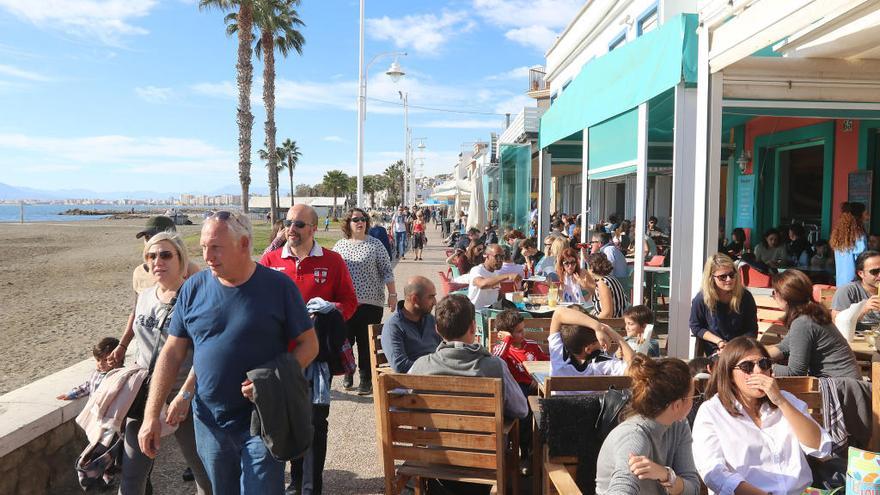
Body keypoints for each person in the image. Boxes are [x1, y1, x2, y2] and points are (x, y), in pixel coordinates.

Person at [138, 211, 318, 495]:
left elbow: (310, 344)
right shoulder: (193, 289)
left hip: (263, 418)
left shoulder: (278, 287)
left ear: (244, 244)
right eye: (203, 247)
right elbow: (172, 353)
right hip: (209, 422)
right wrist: (151, 416)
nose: (207, 256)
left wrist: (271, 378)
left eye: (216, 247)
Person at [259, 204, 358, 495]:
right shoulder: (270, 260)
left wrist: (330, 310)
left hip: (317, 359)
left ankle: (311, 486)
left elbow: (349, 303)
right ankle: (294, 481)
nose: (291, 228)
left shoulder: (333, 260)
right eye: (288, 222)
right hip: (280, 357)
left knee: (316, 421)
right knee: (286, 419)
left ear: (314, 228)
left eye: (299, 224)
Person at [119, 231, 211, 494]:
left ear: (180, 259)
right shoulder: (146, 296)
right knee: (132, 473)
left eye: (165, 255)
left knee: (202, 471)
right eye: (151, 256)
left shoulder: (195, 297)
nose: (157, 260)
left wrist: (185, 395)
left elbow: (204, 351)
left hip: (185, 399)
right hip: (148, 395)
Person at [692, 337, 832, 495]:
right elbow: (713, 472)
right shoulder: (712, 412)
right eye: (747, 366)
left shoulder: (786, 400)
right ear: (730, 374)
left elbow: (820, 447)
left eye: (764, 364)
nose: (758, 371)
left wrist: (781, 402)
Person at [409, 294, 528, 420]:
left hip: (434, 439)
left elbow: (401, 405)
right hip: (485, 438)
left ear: (437, 329)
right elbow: (521, 410)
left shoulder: (420, 366)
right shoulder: (495, 366)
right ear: (473, 327)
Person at [595, 356, 700, 494]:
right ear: (678, 405)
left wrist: (665, 475)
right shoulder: (634, 436)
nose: (695, 400)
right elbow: (622, 487)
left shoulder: (679, 426)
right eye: (694, 395)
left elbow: (693, 488)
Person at [333, 207, 397, 395]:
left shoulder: (375, 245)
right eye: (355, 219)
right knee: (345, 341)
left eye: (363, 219)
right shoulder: (339, 246)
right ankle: (348, 371)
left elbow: (387, 270)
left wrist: (392, 295)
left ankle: (366, 379)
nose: (360, 222)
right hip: (345, 304)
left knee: (365, 342)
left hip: (371, 303)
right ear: (348, 223)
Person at [768, 270, 862, 379]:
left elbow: (795, 373)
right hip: (847, 383)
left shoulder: (803, 322)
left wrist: (760, 367)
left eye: (774, 293)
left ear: (785, 297)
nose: (773, 296)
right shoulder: (811, 314)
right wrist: (755, 357)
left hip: (839, 388)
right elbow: (784, 347)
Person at [689, 253, 758, 355]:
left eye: (731, 274)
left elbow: (751, 330)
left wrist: (732, 347)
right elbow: (696, 327)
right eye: (723, 277)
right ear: (711, 278)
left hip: (740, 350)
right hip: (715, 350)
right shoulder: (702, 299)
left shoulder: (745, 297)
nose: (729, 279)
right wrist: (719, 342)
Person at [549, 306, 634, 378]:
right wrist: (618, 338)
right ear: (589, 349)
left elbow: (558, 313)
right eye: (599, 340)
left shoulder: (558, 356)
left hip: (558, 398)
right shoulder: (601, 363)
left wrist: (597, 327)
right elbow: (634, 368)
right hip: (595, 398)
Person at [381, 276, 440, 373]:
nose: (435, 302)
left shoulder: (431, 320)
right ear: (414, 299)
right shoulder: (393, 326)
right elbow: (400, 365)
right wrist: (436, 368)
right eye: (431, 297)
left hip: (438, 379)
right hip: (411, 383)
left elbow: (443, 351)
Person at [491, 309, 549, 396]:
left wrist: (538, 378)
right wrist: (507, 339)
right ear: (507, 334)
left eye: (523, 329)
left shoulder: (532, 345)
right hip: (514, 389)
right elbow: (496, 361)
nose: (523, 333)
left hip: (534, 387)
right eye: (519, 331)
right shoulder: (501, 348)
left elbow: (547, 364)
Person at [56, 337, 121, 400]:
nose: (101, 364)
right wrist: (72, 394)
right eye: (98, 360)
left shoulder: (119, 375)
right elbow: (88, 386)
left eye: (106, 360)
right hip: (94, 407)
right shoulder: (97, 373)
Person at [831, 250, 880, 330]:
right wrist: (863, 310)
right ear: (861, 274)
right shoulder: (848, 291)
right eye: (874, 272)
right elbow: (837, 322)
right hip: (857, 338)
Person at [468, 244, 521, 308]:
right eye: (497, 256)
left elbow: (497, 295)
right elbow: (482, 284)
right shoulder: (477, 270)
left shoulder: (496, 273)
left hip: (492, 311)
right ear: (486, 256)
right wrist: (507, 276)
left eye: (502, 257)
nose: (500, 260)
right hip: (478, 313)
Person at [830, 201, 868, 285]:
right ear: (859, 215)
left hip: (841, 282)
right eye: (865, 213)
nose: (868, 216)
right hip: (855, 282)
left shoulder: (839, 236)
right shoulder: (859, 235)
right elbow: (862, 258)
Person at [584, 252, 628, 319]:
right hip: (618, 320)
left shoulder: (602, 283)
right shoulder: (611, 279)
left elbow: (607, 314)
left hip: (610, 324)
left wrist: (590, 321)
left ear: (592, 268)